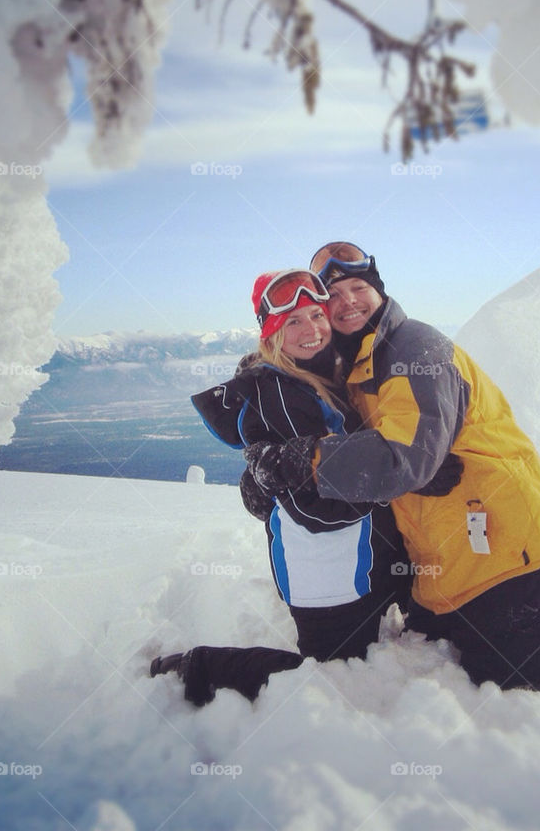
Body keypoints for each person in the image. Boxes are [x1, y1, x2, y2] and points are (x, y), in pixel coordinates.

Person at [245, 243, 540, 692]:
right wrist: (261, 479)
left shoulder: (415, 348)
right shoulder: (357, 365)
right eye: (333, 294)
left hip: (513, 560)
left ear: (379, 291)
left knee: (517, 690)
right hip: (443, 566)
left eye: (358, 287)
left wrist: (302, 463)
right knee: (432, 672)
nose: (347, 301)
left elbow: (402, 457)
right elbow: (354, 445)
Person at [153, 268, 423, 705]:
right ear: (271, 332)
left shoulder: (321, 373)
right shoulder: (279, 393)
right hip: (326, 576)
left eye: (316, 315)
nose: (312, 329)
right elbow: (318, 511)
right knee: (330, 679)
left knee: (376, 656)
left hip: (364, 558)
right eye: (293, 321)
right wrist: (395, 480)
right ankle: (202, 666)